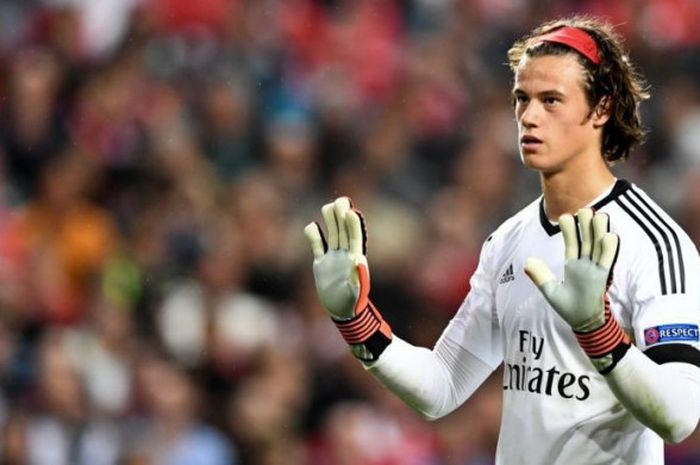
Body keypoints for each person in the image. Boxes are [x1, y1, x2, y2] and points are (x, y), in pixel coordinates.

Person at [304, 16, 700, 465]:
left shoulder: (654, 242)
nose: (529, 116)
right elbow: (442, 387)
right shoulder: (508, 241)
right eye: (522, 99)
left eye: (551, 100)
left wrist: (598, 331)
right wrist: (355, 319)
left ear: (601, 108)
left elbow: (680, 416)